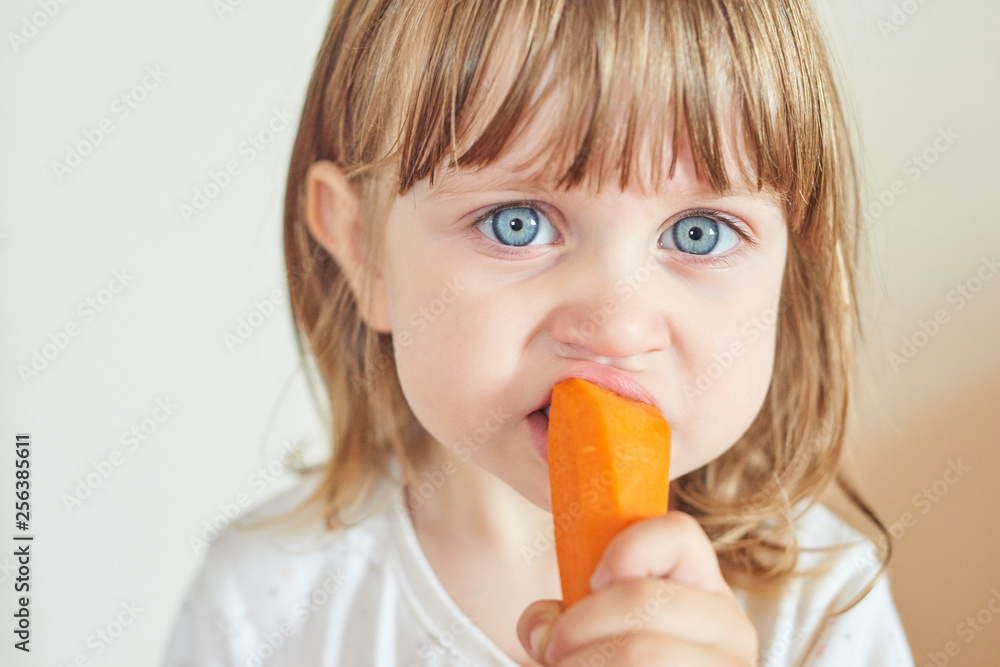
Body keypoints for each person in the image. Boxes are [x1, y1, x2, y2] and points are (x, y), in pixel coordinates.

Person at [164, 0, 915, 664]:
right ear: (365, 251)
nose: (618, 326)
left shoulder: (820, 604)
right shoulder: (265, 604)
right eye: (515, 223)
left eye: (698, 232)